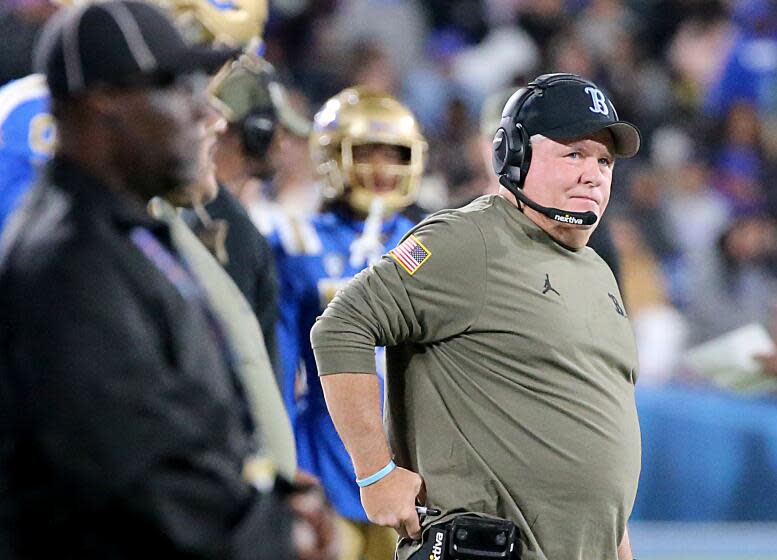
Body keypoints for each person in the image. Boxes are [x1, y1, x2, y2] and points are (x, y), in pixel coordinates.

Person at [0, 2, 304, 557]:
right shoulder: (69, 262)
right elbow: (142, 479)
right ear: (105, 102)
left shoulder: (129, 232)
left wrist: (259, 492)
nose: (205, 110)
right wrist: (276, 532)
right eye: (176, 85)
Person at [311, 73, 642, 560]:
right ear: (515, 155)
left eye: (604, 161)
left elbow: (598, 444)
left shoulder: (597, 273)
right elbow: (341, 327)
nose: (593, 174)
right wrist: (375, 474)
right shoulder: (469, 242)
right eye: (574, 154)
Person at [272, 87, 427, 560]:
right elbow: (278, 365)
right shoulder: (296, 243)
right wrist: (288, 462)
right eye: (365, 152)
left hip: (415, 470)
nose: (380, 168)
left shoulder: (431, 241)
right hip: (325, 461)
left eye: (392, 153)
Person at [192, 53, 312, 381]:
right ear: (254, 130)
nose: (285, 143)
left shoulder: (214, 215)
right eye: (278, 128)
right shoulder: (230, 230)